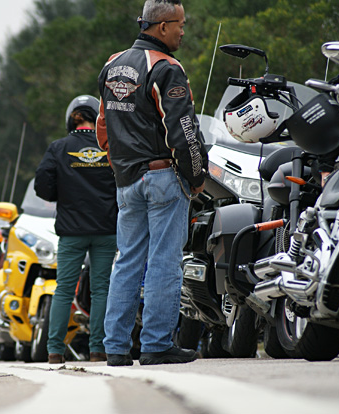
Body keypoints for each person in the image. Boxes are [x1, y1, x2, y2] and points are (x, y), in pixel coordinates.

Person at [96, 0, 208, 366]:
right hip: (162, 177)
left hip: (127, 181)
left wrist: (120, 167)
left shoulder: (112, 64)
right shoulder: (166, 68)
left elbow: (103, 127)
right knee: (164, 262)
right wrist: (196, 178)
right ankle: (157, 345)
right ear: (161, 27)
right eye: (180, 24)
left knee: (126, 261)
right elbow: (184, 132)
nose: (183, 31)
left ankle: (114, 348)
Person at [35, 95, 118, 364]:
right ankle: (97, 350)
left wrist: (65, 193)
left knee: (64, 290)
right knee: (102, 290)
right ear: (98, 118)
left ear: (71, 118)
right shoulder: (110, 146)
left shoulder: (58, 148)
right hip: (106, 229)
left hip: (71, 231)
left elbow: (42, 187)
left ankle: (55, 351)